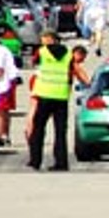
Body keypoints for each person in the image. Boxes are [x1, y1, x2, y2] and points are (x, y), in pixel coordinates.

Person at [27, 31, 78, 171]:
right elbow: (71, 72)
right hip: (61, 96)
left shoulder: (42, 52)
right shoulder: (68, 53)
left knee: (38, 129)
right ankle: (62, 162)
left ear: (50, 39)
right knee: (60, 132)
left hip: (44, 94)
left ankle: (35, 160)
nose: (41, 40)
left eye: (43, 38)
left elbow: (33, 62)